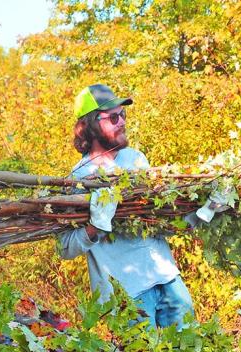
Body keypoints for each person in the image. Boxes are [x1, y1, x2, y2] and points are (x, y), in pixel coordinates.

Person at [58, 83, 194, 328]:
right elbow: (66, 248)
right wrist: (96, 226)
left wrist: (199, 213)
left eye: (123, 115)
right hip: (128, 293)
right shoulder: (79, 179)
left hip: (167, 277)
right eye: (113, 117)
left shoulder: (136, 159)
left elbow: (156, 220)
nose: (121, 121)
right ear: (89, 125)